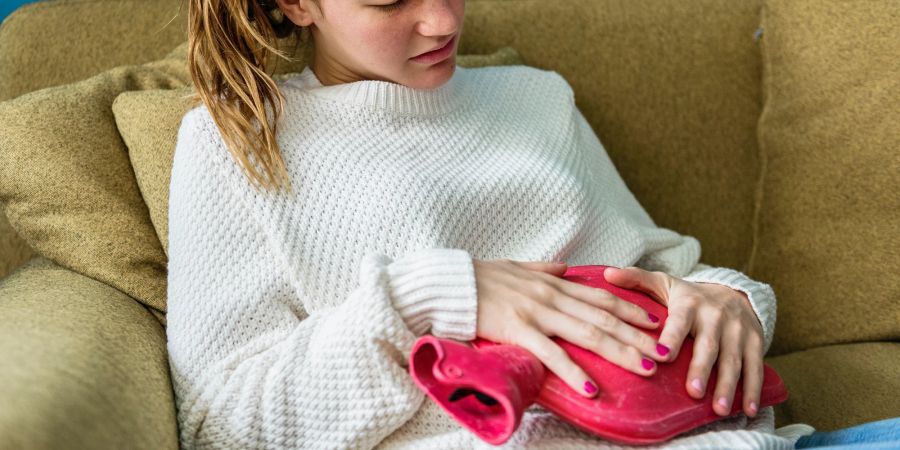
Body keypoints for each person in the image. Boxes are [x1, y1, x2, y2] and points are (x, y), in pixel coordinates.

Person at [164, 0, 894, 448]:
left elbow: (669, 274)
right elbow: (223, 428)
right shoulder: (233, 145)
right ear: (297, 3)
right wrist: (436, 297)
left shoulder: (536, 101)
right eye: (390, 0)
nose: (444, 19)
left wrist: (731, 305)